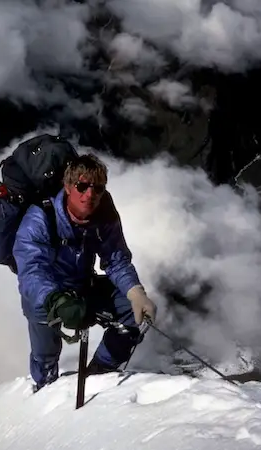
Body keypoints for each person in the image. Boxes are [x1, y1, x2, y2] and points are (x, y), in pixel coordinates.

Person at [13, 153, 157, 390]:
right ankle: (44, 392)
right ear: (68, 186)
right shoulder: (40, 217)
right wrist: (56, 300)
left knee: (131, 314)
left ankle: (99, 375)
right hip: (46, 296)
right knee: (45, 355)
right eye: (82, 186)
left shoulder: (104, 215)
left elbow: (116, 259)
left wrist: (135, 291)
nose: (90, 194)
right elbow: (31, 270)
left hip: (83, 286)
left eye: (97, 188)